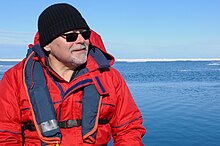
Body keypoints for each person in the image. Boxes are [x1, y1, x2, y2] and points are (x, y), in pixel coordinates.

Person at [0, 3, 146, 146]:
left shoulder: (109, 77)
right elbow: (5, 135)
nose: (81, 40)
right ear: (47, 44)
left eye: (85, 34)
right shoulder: (15, 80)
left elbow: (129, 129)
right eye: (71, 36)